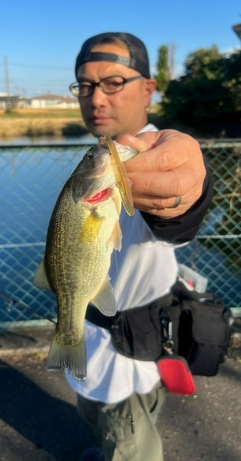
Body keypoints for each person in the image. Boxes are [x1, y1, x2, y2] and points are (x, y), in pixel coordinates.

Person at [67, 32, 213, 461]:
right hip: (98, 340)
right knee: (96, 420)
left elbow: (178, 209)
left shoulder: (146, 153)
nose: (96, 98)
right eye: (85, 84)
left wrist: (184, 195)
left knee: (129, 444)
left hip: (122, 362)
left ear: (148, 88)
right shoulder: (101, 155)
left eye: (113, 82)